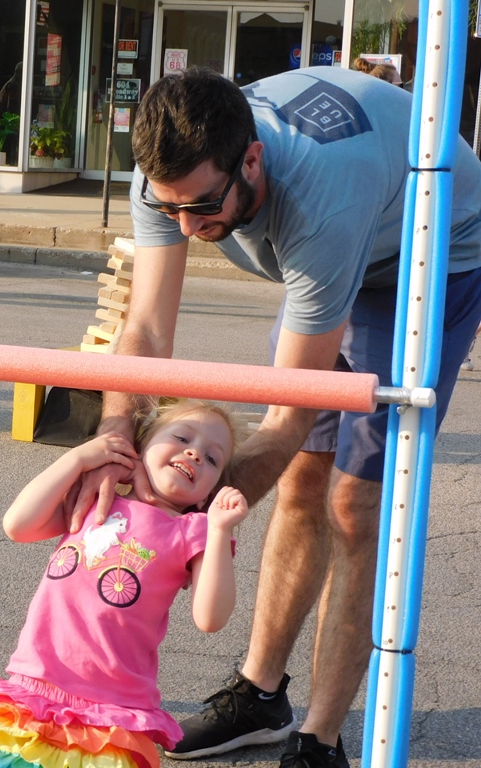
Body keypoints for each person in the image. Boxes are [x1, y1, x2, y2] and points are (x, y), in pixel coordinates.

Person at [72, 66, 481, 768]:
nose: (186, 227)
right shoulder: (168, 173)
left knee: (354, 504)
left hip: (426, 255)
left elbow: (286, 419)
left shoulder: (321, 199)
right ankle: (260, 696)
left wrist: (175, 515)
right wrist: (114, 439)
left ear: (252, 160)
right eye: (169, 209)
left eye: (202, 207)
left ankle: (321, 738)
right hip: (340, 238)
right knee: (299, 483)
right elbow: (146, 331)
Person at [0, 399, 248, 768]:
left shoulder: (193, 530)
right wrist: (77, 459)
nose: (195, 453)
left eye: (213, 458)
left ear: (210, 492)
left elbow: (210, 618)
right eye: (182, 437)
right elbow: (17, 525)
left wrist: (220, 529)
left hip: (113, 705)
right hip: (35, 683)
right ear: (140, 448)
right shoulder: (96, 496)